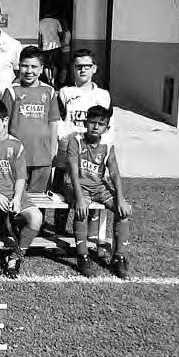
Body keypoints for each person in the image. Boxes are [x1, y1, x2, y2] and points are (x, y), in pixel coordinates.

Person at [0, 99, 43, 289]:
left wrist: (17, 199)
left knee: (36, 217)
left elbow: (20, 177)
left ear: (5, 121)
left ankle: (15, 257)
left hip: (13, 192)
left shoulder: (16, 145)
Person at [65, 105, 131, 279]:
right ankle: (82, 256)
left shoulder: (107, 146)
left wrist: (121, 199)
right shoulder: (76, 141)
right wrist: (79, 198)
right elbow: (73, 172)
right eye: (92, 122)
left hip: (98, 187)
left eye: (100, 124)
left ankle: (119, 257)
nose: (95, 127)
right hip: (76, 185)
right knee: (82, 210)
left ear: (106, 128)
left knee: (122, 212)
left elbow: (115, 173)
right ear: (85, 123)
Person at [53, 49, 112, 233]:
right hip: (67, 152)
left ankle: (91, 236)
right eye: (78, 66)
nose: (83, 70)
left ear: (94, 68)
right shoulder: (65, 92)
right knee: (62, 194)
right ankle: (58, 232)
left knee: (93, 192)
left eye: (87, 66)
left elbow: (107, 124)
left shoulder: (103, 95)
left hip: (91, 155)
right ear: (73, 69)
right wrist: (64, 139)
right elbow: (58, 121)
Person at [1, 46, 59, 193]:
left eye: (34, 67)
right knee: (15, 197)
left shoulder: (49, 91)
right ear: (19, 66)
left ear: (41, 69)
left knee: (39, 200)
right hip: (17, 157)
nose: (29, 71)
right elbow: (3, 125)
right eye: (25, 66)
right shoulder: (11, 91)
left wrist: (53, 151)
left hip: (42, 158)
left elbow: (53, 122)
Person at [38, 13, 64, 86]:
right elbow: (61, 33)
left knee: (46, 65)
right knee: (55, 64)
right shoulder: (56, 21)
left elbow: (40, 35)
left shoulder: (40, 22)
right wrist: (60, 42)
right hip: (56, 45)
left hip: (45, 46)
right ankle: (53, 79)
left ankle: (48, 80)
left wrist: (40, 46)